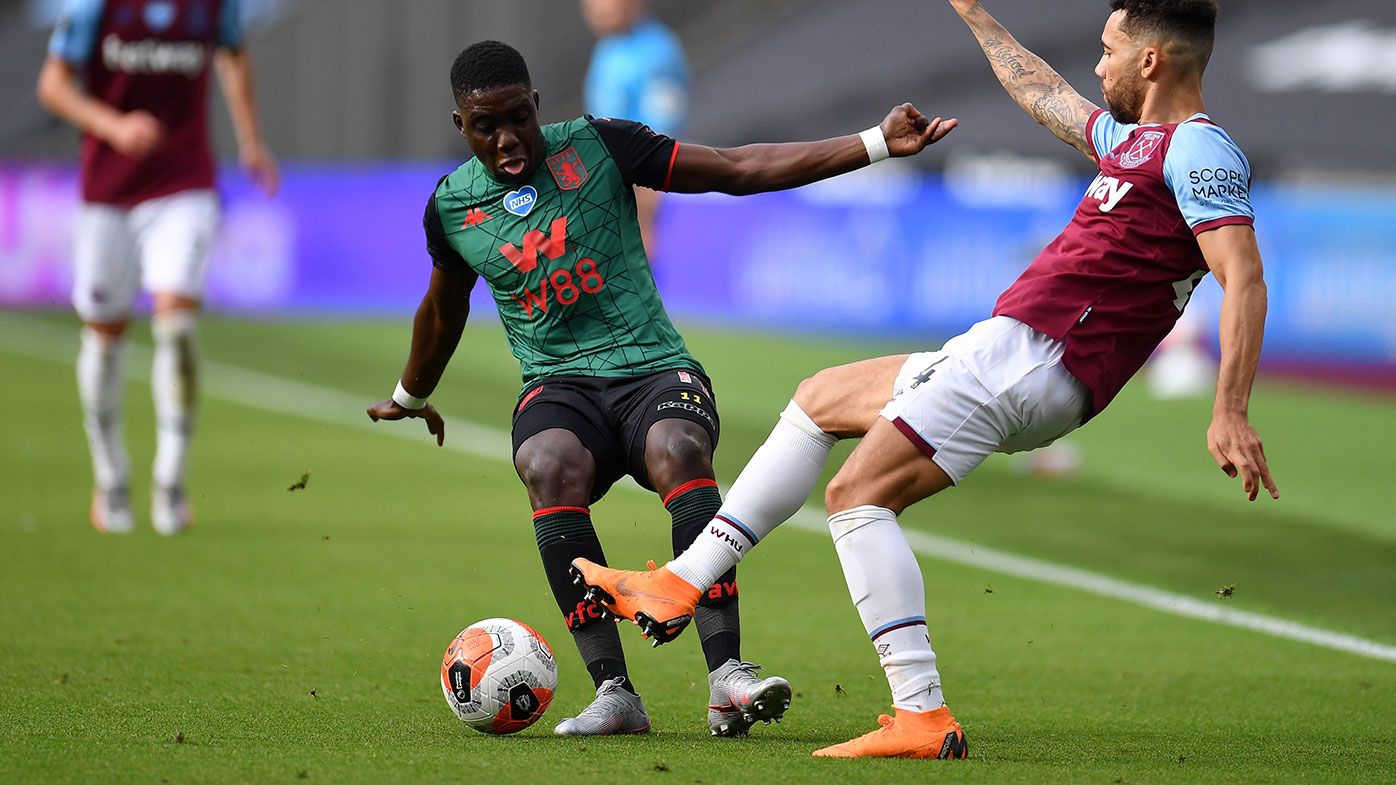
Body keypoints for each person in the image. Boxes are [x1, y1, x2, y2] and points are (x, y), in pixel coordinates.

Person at [573, 0, 1279, 759]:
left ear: (1151, 62)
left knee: (855, 499)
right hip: (1012, 350)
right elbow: (1045, 94)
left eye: (1109, 51)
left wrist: (1229, 410)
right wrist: (974, 12)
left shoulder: (1200, 154)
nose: (1097, 65)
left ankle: (921, 712)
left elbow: (1241, 276)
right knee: (819, 399)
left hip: (1036, 357)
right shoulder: (1139, 142)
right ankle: (683, 580)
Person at [365, 40, 956, 737]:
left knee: (678, 447)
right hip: (558, 386)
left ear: (534, 104)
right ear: (460, 125)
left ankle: (726, 676)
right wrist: (409, 394)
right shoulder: (452, 208)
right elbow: (443, 309)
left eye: (516, 118)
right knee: (549, 464)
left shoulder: (600, 147)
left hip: (653, 369)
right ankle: (615, 692)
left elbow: (738, 169)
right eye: (485, 126)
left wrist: (873, 144)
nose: (507, 139)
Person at [37, 0, 278, 535]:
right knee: (104, 336)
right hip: (108, 194)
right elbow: (53, 85)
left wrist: (251, 140)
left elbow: (234, 55)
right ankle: (111, 477)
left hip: (183, 184)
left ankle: (170, 479)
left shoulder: (215, 6)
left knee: (177, 323)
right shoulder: (96, 7)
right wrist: (112, 124)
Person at [579, 0, 689, 258]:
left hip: (638, 167)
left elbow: (665, 119)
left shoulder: (657, 52)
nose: (596, 11)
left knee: (637, 241)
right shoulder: (607, 47)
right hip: (607, 163)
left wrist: (646, 178)